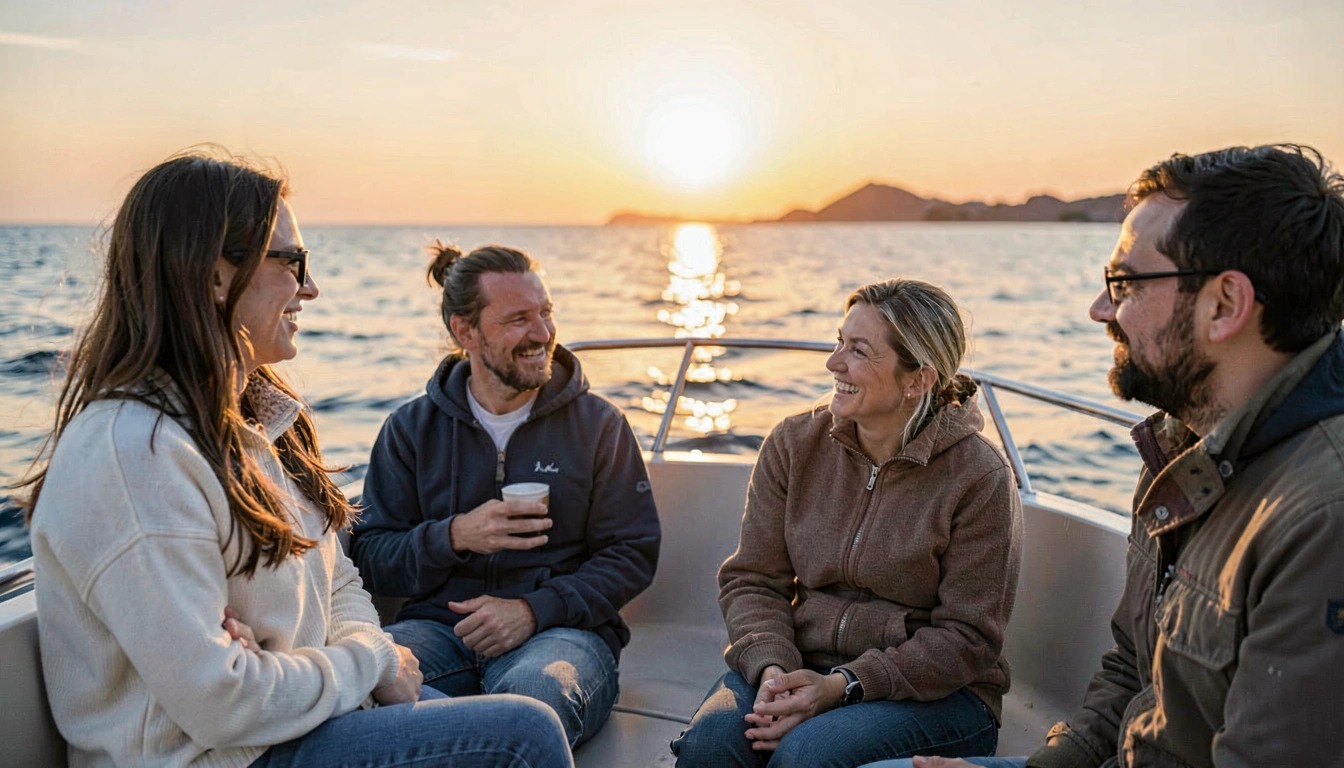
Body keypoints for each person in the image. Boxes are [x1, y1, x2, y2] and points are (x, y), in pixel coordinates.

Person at [21, 149, 572, 768]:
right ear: (213, 275)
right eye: (293, 262)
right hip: (222, 758)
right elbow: (223, 702)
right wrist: (374, 661)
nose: (311, 287)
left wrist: (306, 663)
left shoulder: (261, 423)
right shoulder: (133, 454)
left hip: (301, 723)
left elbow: (339, 578)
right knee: (521, 737)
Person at [861, 145, 1344, 768]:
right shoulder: (1181, 448)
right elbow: (1130, 676)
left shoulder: (1321, 521)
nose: (1099, 310)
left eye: (1124, 283)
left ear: (1224, 306)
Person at [670, 278, 1024, 768]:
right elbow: (753, 579)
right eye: (839, 341)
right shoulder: (795, 444)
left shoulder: (979, 477)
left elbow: (968, 640)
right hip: (802, 663)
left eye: (857, 351)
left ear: (917, 380)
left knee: (804, 757)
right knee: (709, 749)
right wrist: (774, 669)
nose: (834, 362)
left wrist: (842, 687)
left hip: (940, 696)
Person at [349, 243, 662, 748]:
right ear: (465, 331)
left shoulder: (599, 425)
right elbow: (371, 556)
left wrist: (532, 610)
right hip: (438, 628)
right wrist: (454, 535)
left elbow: (632, 554)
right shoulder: (411, 429)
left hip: (562, 633)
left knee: (532, 700)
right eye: (518, 319)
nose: (542, 335)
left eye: (545, 313)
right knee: (357, 684)